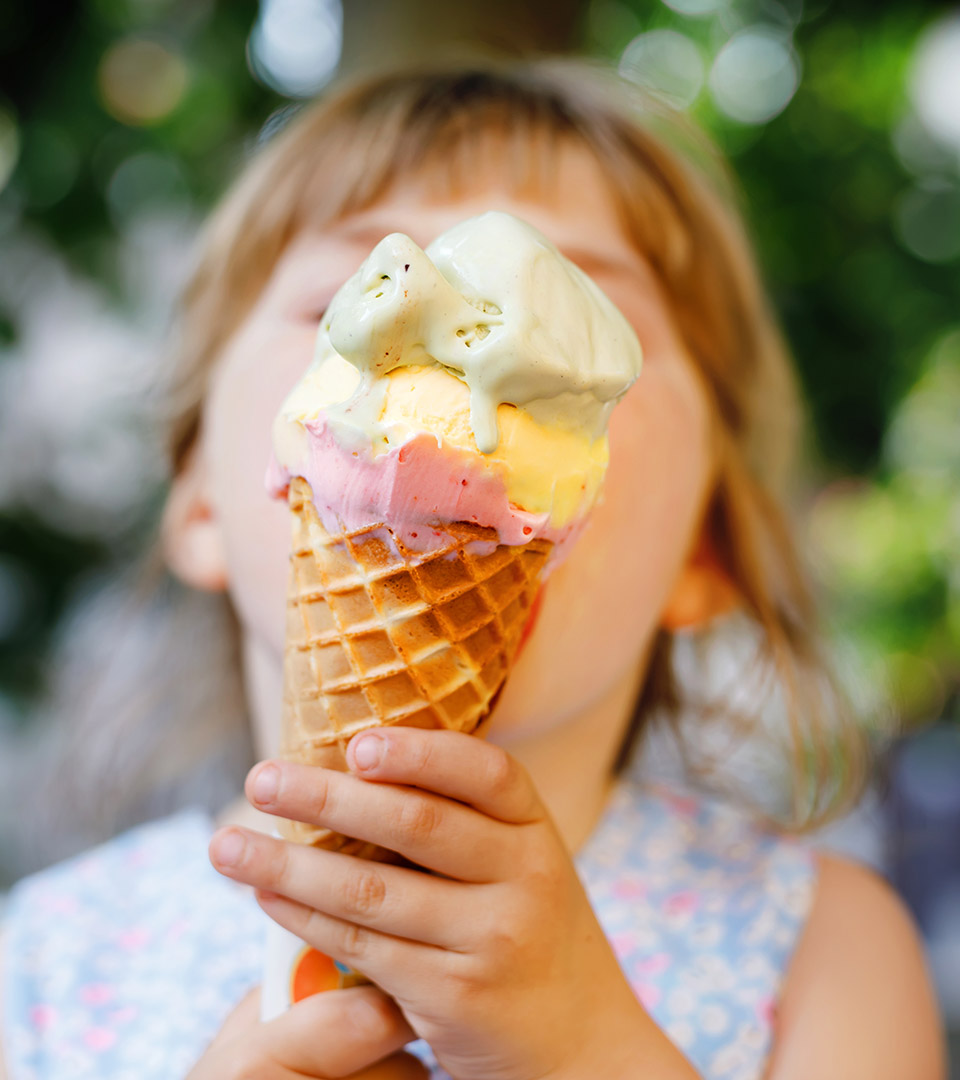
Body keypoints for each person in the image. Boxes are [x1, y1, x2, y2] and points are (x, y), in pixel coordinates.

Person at [0, 61, 945, 1080]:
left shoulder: (821, 951)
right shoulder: (47, 962)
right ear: (195, 501)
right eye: (346, 294)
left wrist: (593, 1058)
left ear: (706, 543)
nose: (447, 353)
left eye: (574, 313)